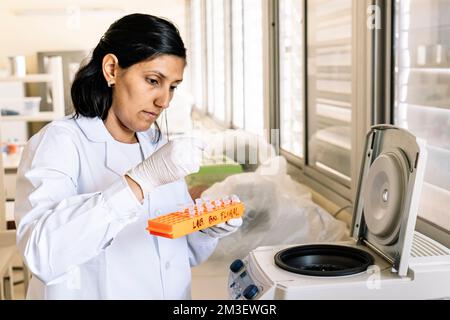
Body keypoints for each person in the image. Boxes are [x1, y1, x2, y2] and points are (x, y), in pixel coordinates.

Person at [14, 13, 242, 299]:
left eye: (172, 86)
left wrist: (206, 227)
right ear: (111, 69)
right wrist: (138, 182)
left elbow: (178, 252)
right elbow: (42, 254)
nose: (164, 101)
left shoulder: (157, 146)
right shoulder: (60, 143)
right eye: (152, 80)